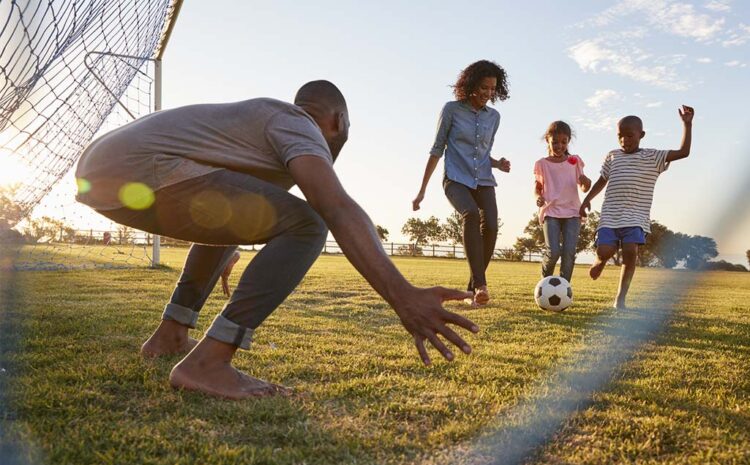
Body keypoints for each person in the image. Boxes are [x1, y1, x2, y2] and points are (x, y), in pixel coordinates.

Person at [75, 80, 479, 400]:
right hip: (140, 166)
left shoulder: (264, 132)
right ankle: (207, 364)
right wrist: (402, 296)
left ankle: (170, 336)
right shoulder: (296, 122)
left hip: (104, 173)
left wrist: (227, 241)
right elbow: (335, 207)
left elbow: (223, 206)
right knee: (308, 224)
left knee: (260, 218)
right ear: (337, 121)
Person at [412, 60, 510, 308]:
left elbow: (483, 153)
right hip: (455, 178)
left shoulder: (494, 117)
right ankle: (481, 285)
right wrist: (422, 189)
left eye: (492, 89)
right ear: (471, 85)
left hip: (484, 180)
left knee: (491, 225)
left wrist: (498, 164)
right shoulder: (451, 110)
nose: (488, 94)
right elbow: (437, 149)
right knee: (470, 214)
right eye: (484, 88)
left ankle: (473, 288)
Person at [579, 106, 694, 309]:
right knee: (605, 250)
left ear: (641, 135)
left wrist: (687, 124)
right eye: (620, 136)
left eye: (629, 135)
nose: (625, 140)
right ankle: (600, 260)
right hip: (610, 215)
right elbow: (601, 180)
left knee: (630, 251)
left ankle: (620, 298)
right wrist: (587, 199)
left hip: (636, 217)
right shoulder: (613, 156)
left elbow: (684, 152)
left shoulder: (653, 157)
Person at [533, 121, 591, 283]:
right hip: (551, 212)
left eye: (563, 142)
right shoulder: (542, 164)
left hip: (573, 212)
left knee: (569, 252)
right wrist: (538, 197)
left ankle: (564, 287)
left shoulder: (574, 161)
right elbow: (537, 187)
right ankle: (544, 284)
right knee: (553, 252)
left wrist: (587, 181)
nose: (559, 146)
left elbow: (584, 187)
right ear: (547, 140)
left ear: (568, 141)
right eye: (555, 142)